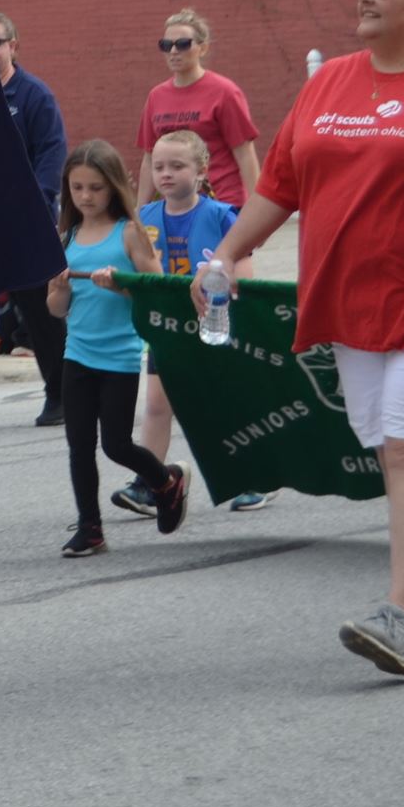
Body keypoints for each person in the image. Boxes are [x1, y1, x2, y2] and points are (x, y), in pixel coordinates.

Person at [202, 0, 404, 677]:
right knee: (398, 455)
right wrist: (226, 256)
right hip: (352, 298)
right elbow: (282, 182)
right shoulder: (331, 80)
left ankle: (397, 616)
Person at [46, 140, 185, 558]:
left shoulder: (129, 232)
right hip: (78, 355)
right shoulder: (66, 236)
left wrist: (123, 285)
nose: (86, 197)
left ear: (113, 188)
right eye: (77, 188)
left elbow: (157, 290)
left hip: (120, 356)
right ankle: (90, 528)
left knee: (116, 445)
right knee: (79, 445)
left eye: (96, 188)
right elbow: (57, 310)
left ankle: (166, 481)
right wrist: (59, 288)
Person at [118, 131, 257, 519]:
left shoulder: (222, 216)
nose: (166, 174)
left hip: (213, 324)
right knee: (157, 405)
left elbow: (245, 276)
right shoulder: (141, 220)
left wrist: (220, 282)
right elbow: (132, 277)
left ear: (201, 170)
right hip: (166, 329)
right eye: (159, 166)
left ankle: (249, 476)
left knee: (220, 403)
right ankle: (148, 481)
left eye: (177, 166)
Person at [0, 10, 70, 425]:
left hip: (26, 225)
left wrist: (32, 210)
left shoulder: (34, 96)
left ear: (13, 47)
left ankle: (61, 395)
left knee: (39, 315)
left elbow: (52, 156)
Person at [136, 10, 262, 207]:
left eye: (183, 44)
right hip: (175, 207)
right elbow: (149, 157)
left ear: (203, 48)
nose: (174, 51)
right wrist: (141, 211)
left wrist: (256, 209)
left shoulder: (225, 92)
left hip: (222, 203)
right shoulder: (156, 97)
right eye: (167, 45)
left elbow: (245, 153)